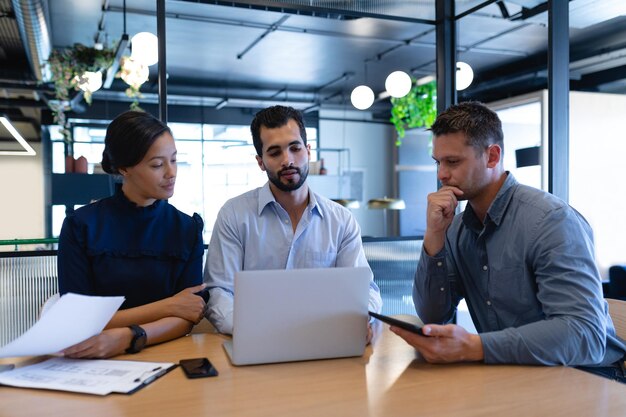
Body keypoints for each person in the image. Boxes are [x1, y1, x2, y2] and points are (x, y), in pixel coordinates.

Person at [392, 101, 626, 372]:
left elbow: (584, 334)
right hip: (515, 374)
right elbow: (433, 315)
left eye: (453, 162)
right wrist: (434, 235)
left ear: (492, 156)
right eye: (438, 162)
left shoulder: (550, 220)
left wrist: (474, 346)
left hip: (588, 378)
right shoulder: (455, 228)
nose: (442, 174)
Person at [204, 105, 382, 335]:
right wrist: (253, 329)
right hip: (256, 341)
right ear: (260, 161)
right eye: (275, 152)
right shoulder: (234, 215)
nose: (287, 160)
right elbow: (219, 292)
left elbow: (365, 289)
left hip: (325, 339)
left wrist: (359, 318)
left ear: (308, 151)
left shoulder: (341, 221)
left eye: (295, 148)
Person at [57, 110, 207, 359]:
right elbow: (77, 318)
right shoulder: (81, 226)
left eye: (174, 160)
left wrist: (129, 337)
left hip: (166, 354)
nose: (171, 172)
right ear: (124, 168)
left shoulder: (187, 229)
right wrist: (167, 306)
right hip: (95, 359)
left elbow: (187, 316)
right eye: (158, 164)